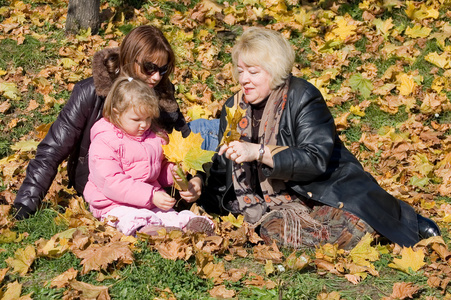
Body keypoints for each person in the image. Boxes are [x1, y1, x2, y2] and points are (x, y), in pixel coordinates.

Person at [198, 27, 440, 249]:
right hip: (267, 205)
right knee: (273, 230)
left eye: (253, 72)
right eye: (240, 71)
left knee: (346, 219)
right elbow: (223, 167)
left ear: (275, 70)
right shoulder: (233, 107)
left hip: (322, 189)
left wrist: (259, 152)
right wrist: (197, 186)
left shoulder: (302, 96)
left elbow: (315, 159)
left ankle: (394, 220)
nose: (244, 79)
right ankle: (347, 230)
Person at [13, 25, 219, 220]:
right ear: (130, 60)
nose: (156, 77)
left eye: (163, 70)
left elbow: (184, 144)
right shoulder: (91, 93)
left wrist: (197, 178)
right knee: (208, 129)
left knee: (209, 129)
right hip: (105, 186)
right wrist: (25, 204)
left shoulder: (162, 93)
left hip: (153, 184)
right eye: (150, 67)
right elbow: (53, 149)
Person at [83, 75, 214, 236]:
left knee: (168, 215)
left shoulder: (154, 137)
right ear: (116, 114)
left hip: (150, 202)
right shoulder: (105, 140)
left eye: (148, 119)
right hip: (113, 203)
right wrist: (150, 195)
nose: (144, 125)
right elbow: (111, 182)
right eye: (136, 119)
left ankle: (189, 226)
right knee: (130, 218)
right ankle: (147, 232)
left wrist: (174, 173)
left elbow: (160, 170)